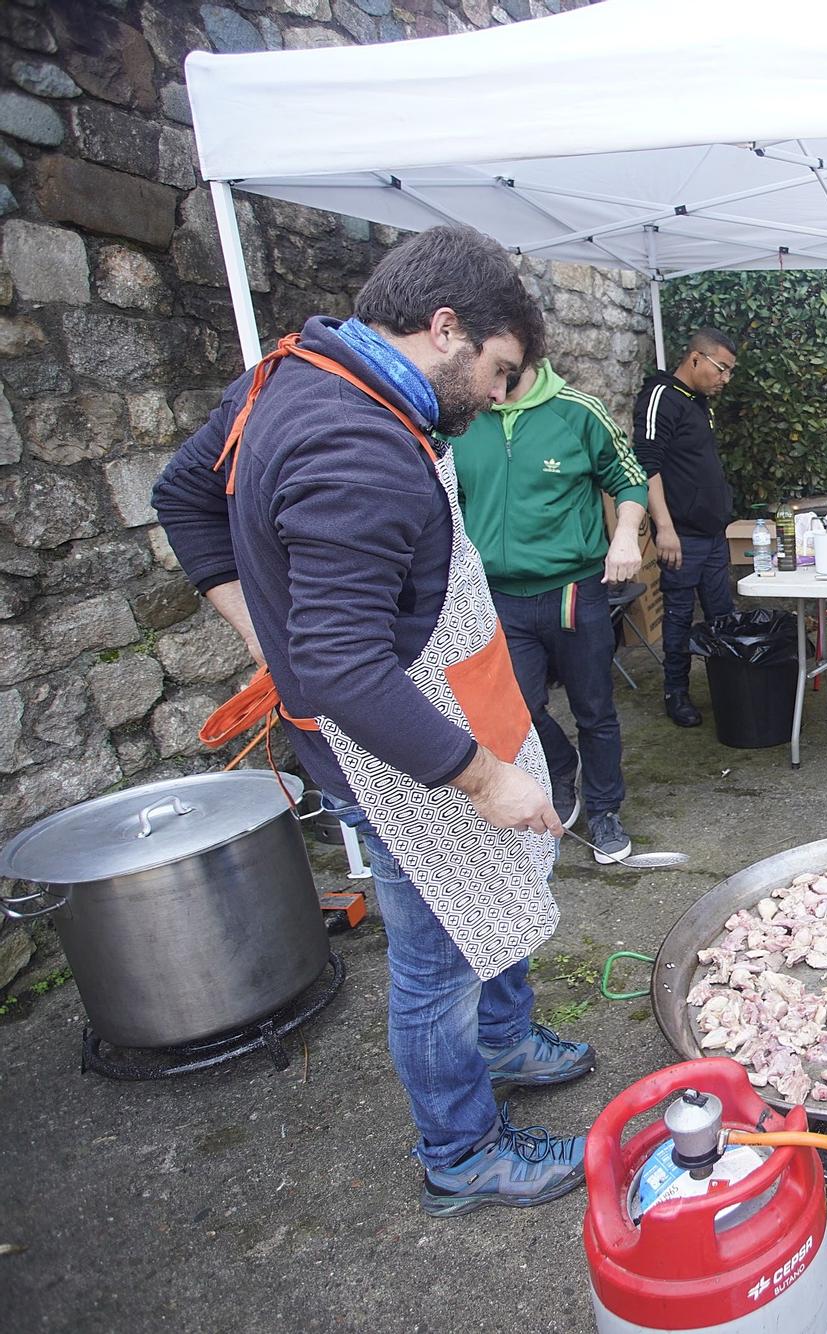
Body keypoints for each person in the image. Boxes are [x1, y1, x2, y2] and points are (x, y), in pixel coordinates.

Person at [152, 226, 596, 1218]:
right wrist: (482, 775)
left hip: (459, 690)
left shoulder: (287, 372)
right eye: (497, 370)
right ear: (443, 327)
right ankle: (462, 1150)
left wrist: (266, 631)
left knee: (502, 870)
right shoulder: (357, 445)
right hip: (398, 743)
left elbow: (181, 496)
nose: (495, 396)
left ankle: (508, 1036)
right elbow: (347, 666)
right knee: (435, 948)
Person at [451, 356, 650, 863]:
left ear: (518, 359)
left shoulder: (578, 412)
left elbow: (629, 479)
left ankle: (605, 808)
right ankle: (561, 768)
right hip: (495, 594)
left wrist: (625, 535)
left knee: (594, 708)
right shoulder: (462, 416)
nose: (489, 391)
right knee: (519, 708)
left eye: (496, 376)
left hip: (572, 590)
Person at [632, 328, 740, 728]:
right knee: (678, 617)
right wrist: (665, 528)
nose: (725, 378)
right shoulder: (661, 397)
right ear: (696, 358)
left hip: (712, 536)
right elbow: (647, 465)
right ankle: (675, 693)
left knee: (722, 616)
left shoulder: (697, 403)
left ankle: (730, 686)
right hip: (682, 536)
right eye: (721, 368)